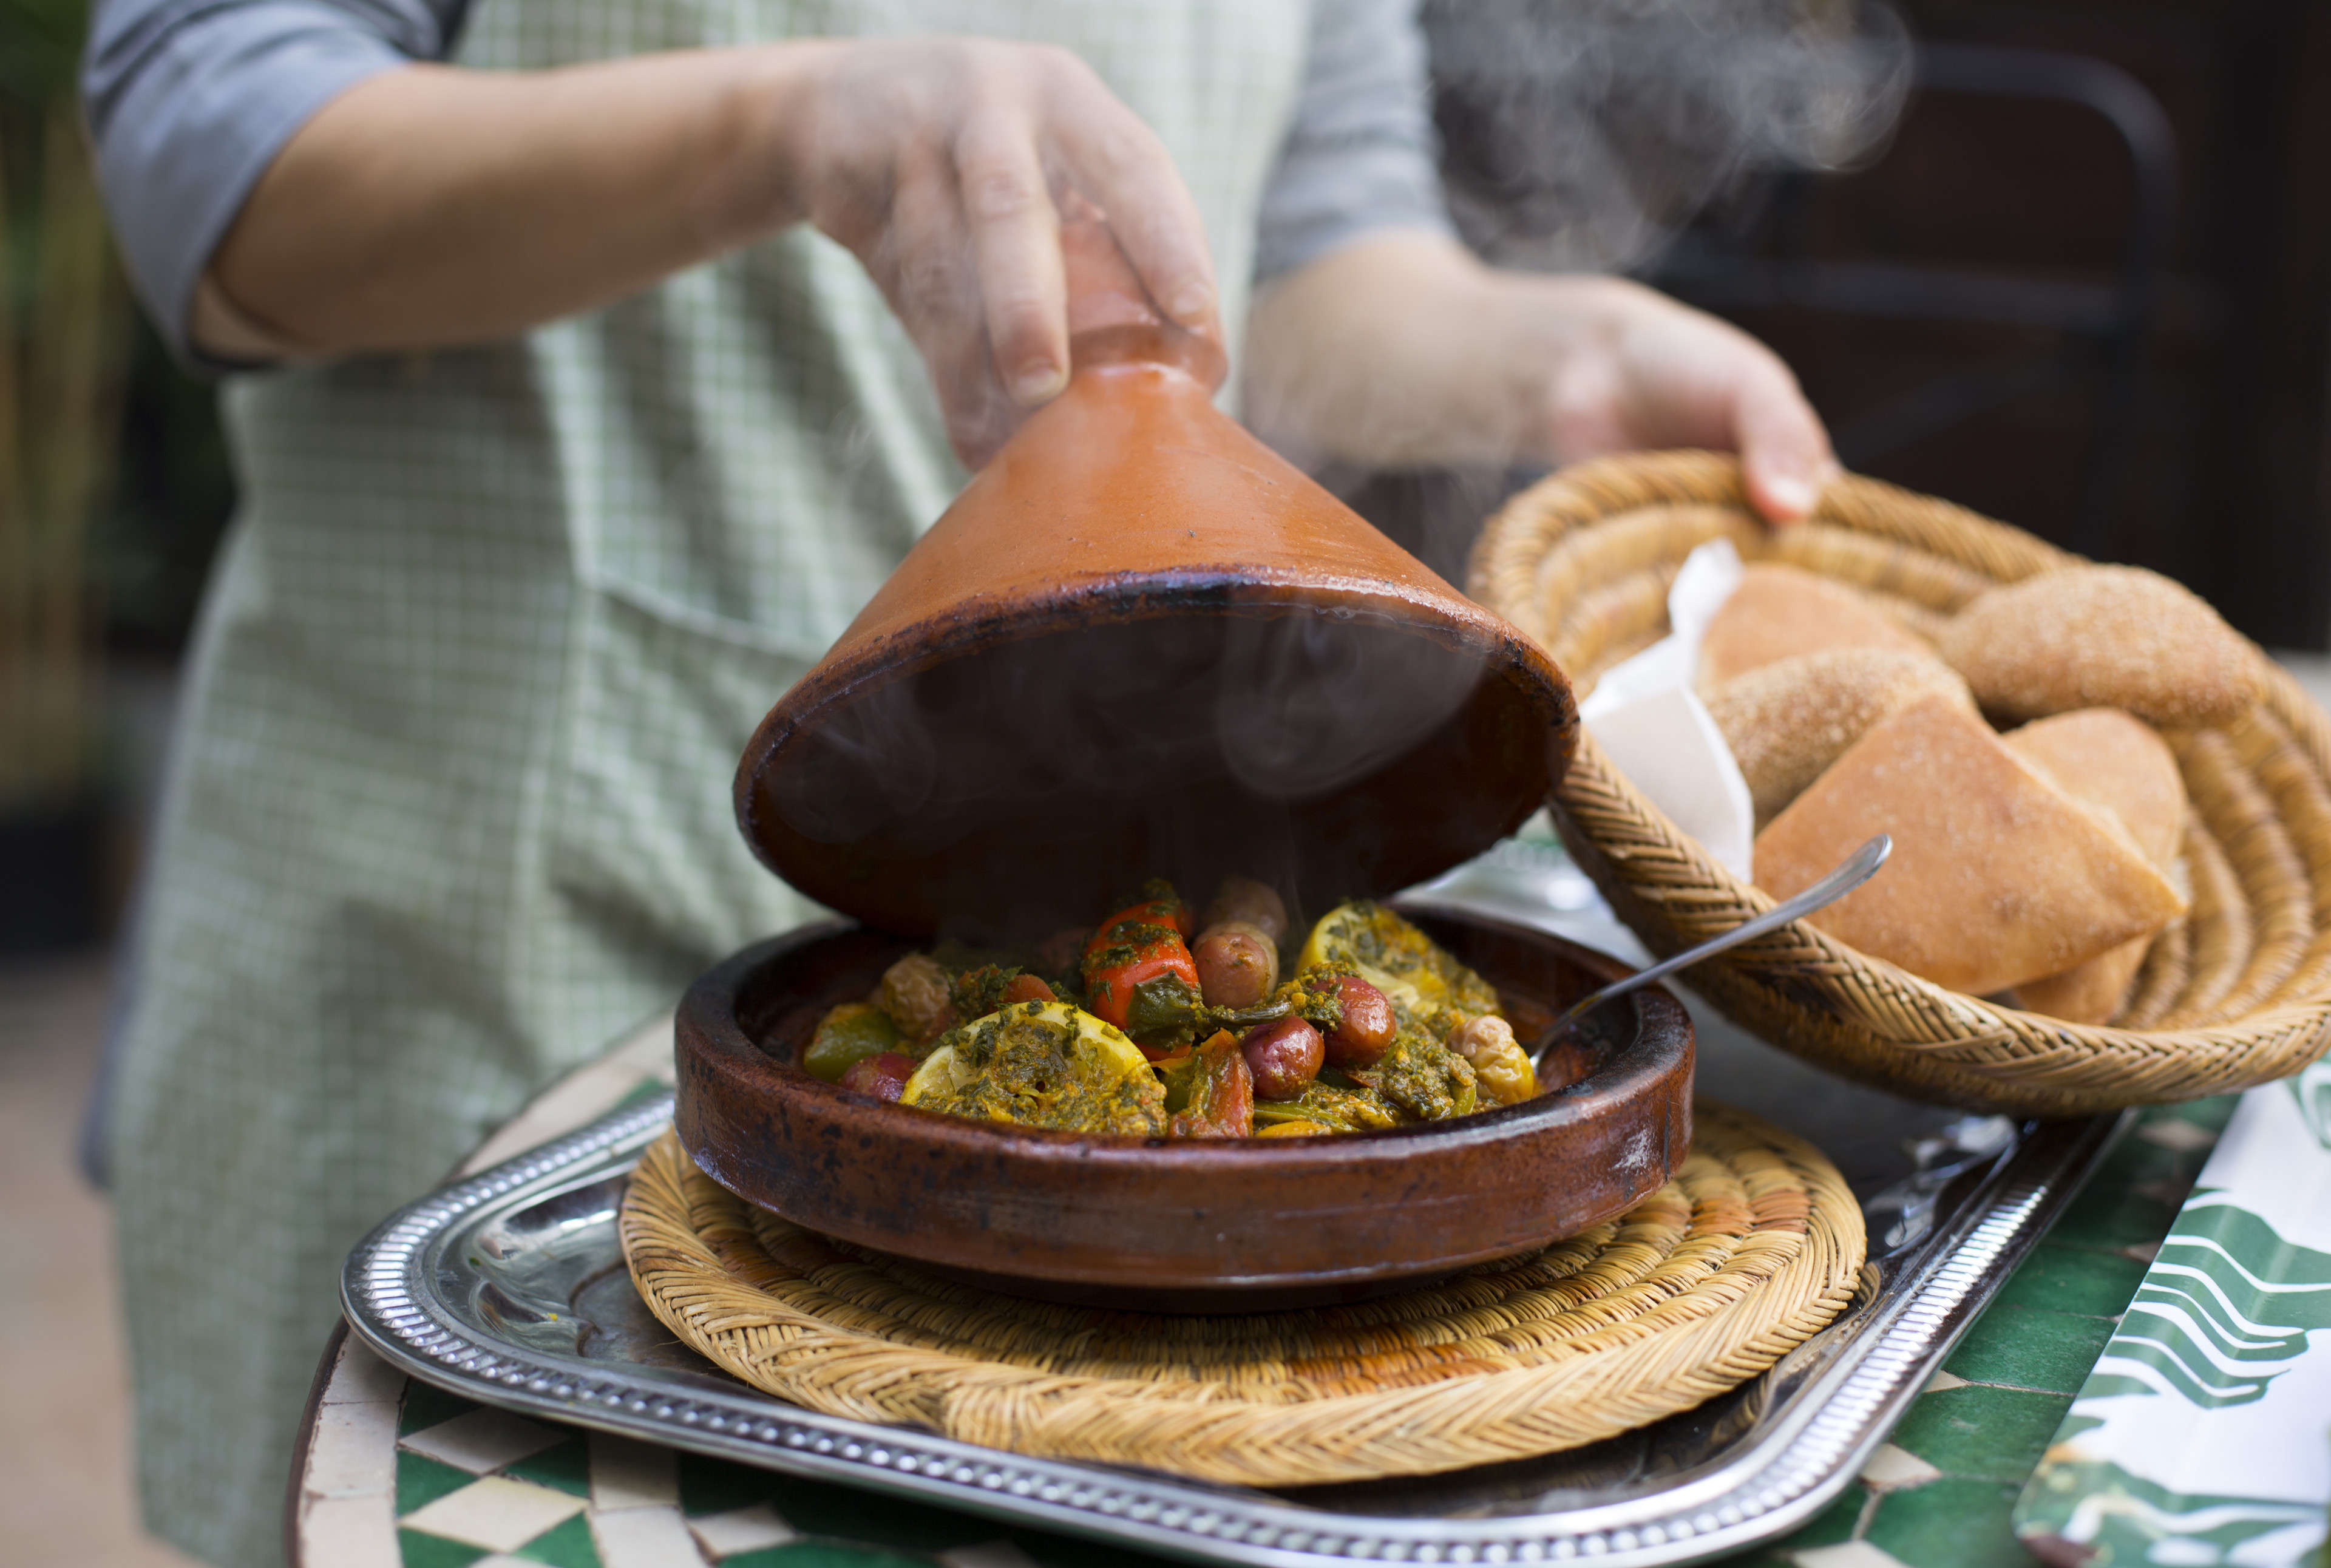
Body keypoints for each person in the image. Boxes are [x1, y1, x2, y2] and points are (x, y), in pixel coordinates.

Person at [82, 2, 1836, 1563]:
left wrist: (1556, 361)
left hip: (1114, 1061)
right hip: (497, 945)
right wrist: (793, 122)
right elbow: (210, 155)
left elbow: (1297, 267)